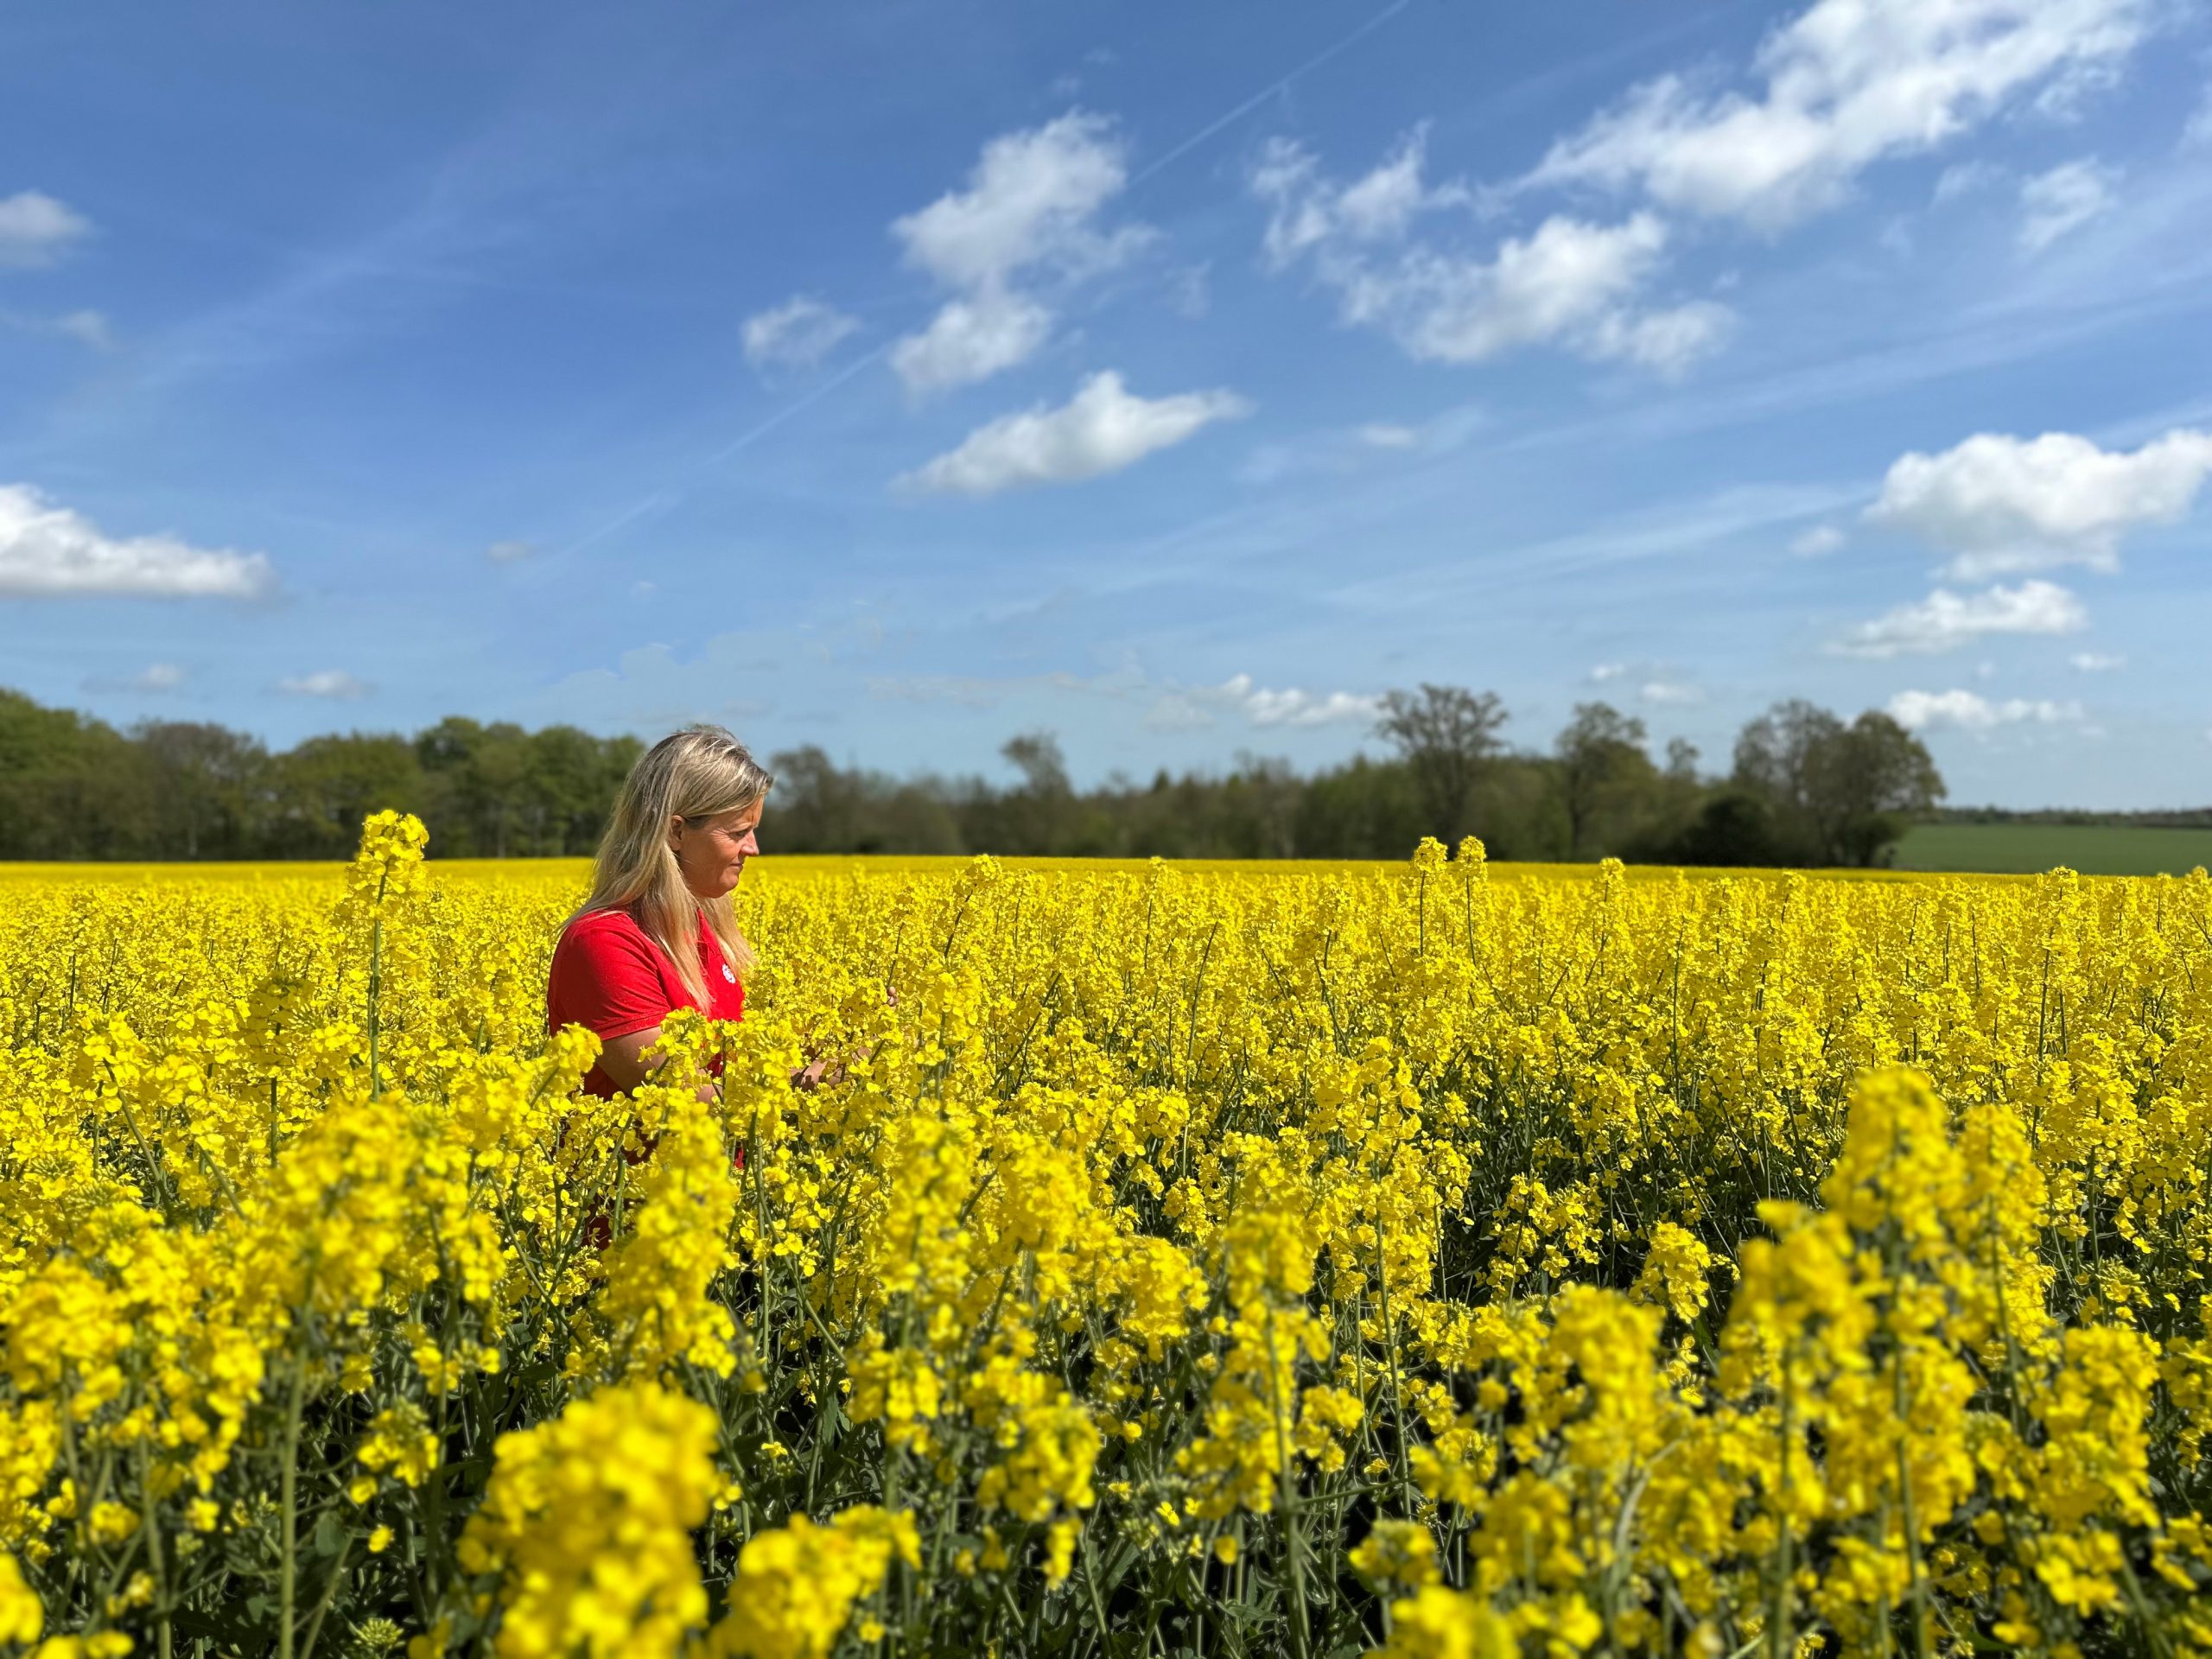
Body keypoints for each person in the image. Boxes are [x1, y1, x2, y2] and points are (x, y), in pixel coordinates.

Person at [546, 724, 771, 1097]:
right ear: (676, 833)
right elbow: (686, 1101)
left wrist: (849, 1048)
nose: (753, 849)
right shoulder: (604, 945)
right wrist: (823, 1080)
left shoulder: (699, 927)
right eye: (737, 833)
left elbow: (736, 1067)